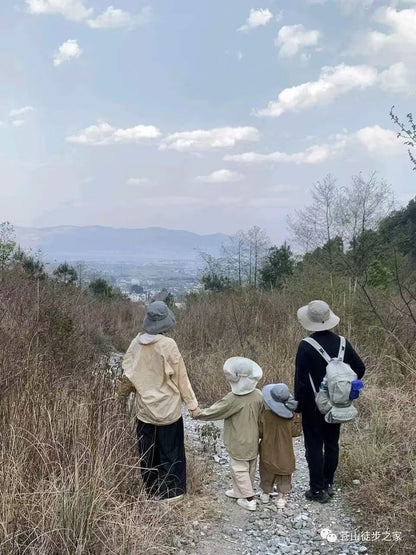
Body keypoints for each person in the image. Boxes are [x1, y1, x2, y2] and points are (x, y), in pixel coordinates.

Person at [117, 301, 198, 502]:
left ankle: (152, 491)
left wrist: (121, 397)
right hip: (168, 409)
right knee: (170, 451)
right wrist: (192, 404)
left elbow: (127, 373)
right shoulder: (168, 345)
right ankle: (172, 493)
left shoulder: (135, 343)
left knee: (148, 452)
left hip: (144, 410)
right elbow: (181, 377)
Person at [294, 300, 365, 503]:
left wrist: (299, 405)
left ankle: (317, 490)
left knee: (314, 446)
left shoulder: (306, 346)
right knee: (332, 443)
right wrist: (344, 389)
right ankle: (328, 484)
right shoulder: (342, 343)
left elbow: (301, 381)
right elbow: (360, 369)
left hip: (313, 406)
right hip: (337, 405)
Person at [192, 357, 263, 512]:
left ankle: (249, 499)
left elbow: (216, 411)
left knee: (238, 468)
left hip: (238, 439)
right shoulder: (258, 394)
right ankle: (240, 492)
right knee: (250, 467)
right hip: (253, 437)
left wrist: (198, 414)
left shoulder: (234, 398)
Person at [259, 383, 297, 509]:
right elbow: (296, 432)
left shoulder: (265, 415)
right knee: (284, 474)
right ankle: (281, 498)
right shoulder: (290, 418)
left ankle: (265, 494)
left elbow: (259, 432)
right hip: (285, 452)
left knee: (266, 471)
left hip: (267, 449)